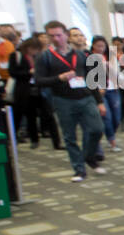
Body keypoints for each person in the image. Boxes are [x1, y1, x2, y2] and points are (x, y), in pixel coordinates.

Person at [33, 20, 106, 182]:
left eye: (59, 35)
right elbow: (38, 80)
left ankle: (89, 156)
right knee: (70, 136)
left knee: (96, 129)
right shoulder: (45, 57)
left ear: (66, 35)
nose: (56, 39)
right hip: (63, 100)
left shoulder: (80, 55)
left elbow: (91, 79)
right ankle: (79, 169)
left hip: (86, 97)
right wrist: (58, 78)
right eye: (52, 36)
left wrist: (99, 101)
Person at [9, 38, 60, 150]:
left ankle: (57, 142)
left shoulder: (40, 57)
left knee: (49, 114)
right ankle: (34, 140)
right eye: (33, 49)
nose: (34, 52)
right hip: (24, 90)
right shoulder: (16, 56)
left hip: (40, 88)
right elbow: (12, 72)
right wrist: (28, 73)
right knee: (29, 116)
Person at [89, 36, 121, 152]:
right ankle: (112, 141)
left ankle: (111, 134)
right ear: (93, 46)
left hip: (113, 88)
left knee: (116, 118)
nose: (101, 49)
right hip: (100, 91)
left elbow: (117, 74)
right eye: (98, 46)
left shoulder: (111, 55)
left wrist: (108, 66)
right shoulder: (89, 57)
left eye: (103, 46)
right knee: (106, 116)